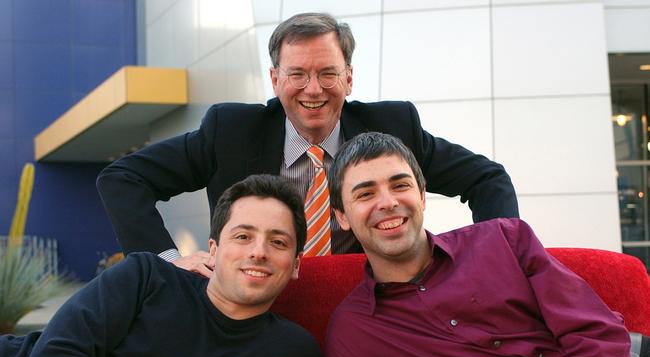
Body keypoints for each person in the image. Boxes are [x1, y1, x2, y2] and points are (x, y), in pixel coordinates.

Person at [96, 12, 519, 275]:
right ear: (275, 79)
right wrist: (169, 262)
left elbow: (487, 179)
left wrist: (483, 261)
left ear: (349, 79)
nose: (312, 89)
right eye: (297, 74)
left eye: (328, 74)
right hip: (257, 309)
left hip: (369, 305)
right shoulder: (230, 131)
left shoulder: (392, 128)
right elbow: (123, 178)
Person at [324, 132, 631, 357]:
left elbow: (598, 336)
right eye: (365, 194)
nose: (388, 202)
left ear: (422, 195)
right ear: (342, 216)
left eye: (400, 186)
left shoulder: (505, 239)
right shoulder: (353, 330)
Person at [0, 175, 323, 357]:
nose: (258, 252)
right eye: (242, 236)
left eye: (278, 242)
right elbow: (55, 356)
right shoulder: (147, 276)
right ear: (214, 248)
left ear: (295, 265)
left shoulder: (293, 351)